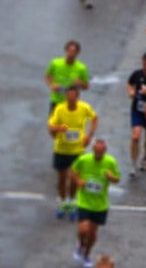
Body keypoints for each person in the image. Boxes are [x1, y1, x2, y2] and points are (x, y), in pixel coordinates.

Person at [48, 84, 98, 218]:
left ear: (77, 97)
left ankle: (71, 202)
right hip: (61, 148)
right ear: (66, 97)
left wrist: (89, 136)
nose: (70, 99)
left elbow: (94, 118)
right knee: (62, 178)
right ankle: (62, 202)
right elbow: (51, 127)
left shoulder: (84, 108)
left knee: (74, 178)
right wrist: (59, 128)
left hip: (77, 149)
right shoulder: (59, 109)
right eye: (68, 96)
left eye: (72, 96)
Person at [71, 138, 120, 267]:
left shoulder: (110, 162)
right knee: (83, 229)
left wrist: (111, 177)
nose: (98, 154)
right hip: (84, 201)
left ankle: (87, 254)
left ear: (105, 151)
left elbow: (117, 178)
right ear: (93, 149)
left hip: (99, 204)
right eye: (96, 151)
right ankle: (81, 244)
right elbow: (73, 171)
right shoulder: (84, 159)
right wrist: (78, 181)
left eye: (101, 152)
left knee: (92, 234)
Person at [46, 40, 90, 110]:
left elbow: (86, 86)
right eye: (69, 51)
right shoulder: (55, 63)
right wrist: (52, 85)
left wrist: (80, 83)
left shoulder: (81, 68)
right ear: (65, 50)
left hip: (71, 103)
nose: (71, 53)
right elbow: (48, 76)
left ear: (77, 53)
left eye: (74, 51)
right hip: (56, 101)